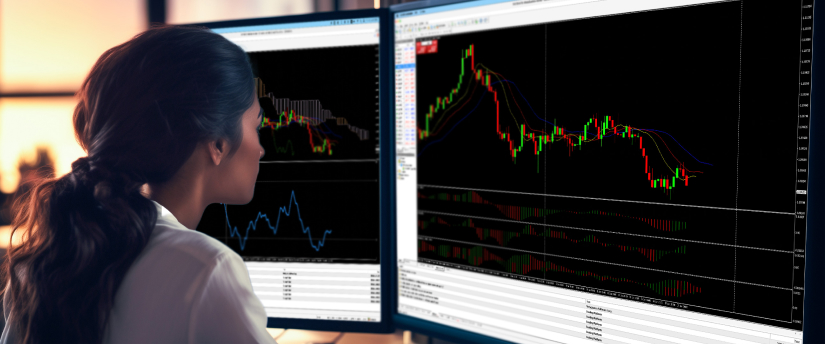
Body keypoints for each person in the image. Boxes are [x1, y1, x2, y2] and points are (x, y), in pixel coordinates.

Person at [0, 25, 277, 344]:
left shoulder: (43, 261)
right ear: (217, 144)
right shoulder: (207, 269)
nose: (260, 148)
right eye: (255, 125)